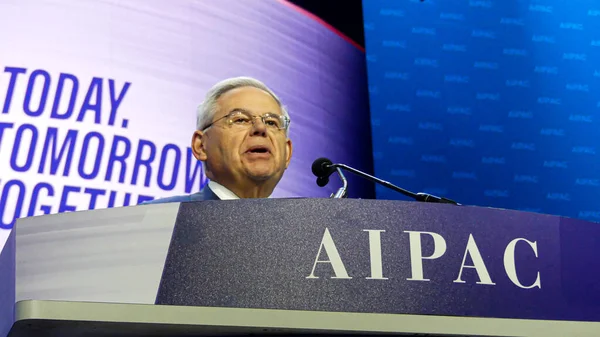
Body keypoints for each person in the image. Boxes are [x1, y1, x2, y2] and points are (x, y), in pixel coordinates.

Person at [145, 76, 293, 203]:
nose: (261, 128)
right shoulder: (156, 220)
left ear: (287, 153)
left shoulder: (310, 231)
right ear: (201, 146)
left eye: (271, 122)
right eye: (241, 119)